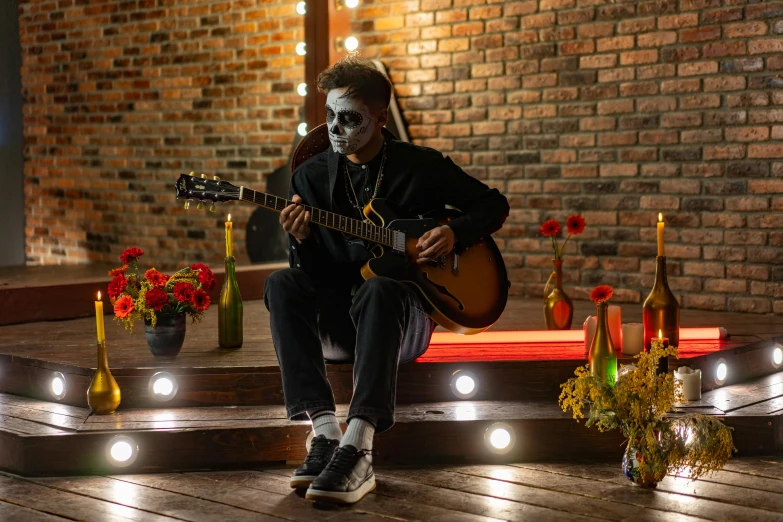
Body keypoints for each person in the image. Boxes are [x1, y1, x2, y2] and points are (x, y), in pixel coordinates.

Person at [263, 56, 509, 505]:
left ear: (380, 118)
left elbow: (492, 205)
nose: (336, 129)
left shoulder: (421, 166)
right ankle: (323, 434)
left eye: (350, 118)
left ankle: (358, 447)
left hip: (403, 324)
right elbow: (312, 275)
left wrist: (455, 232)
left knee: (381, 288)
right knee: (281, 284)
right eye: (330, 115)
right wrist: (300, 240)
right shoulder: (310, 177)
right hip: (341, 327)